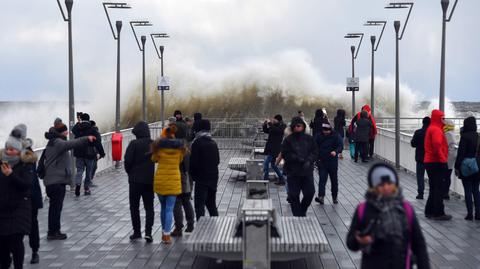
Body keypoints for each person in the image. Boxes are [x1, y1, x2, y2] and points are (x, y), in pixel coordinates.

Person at [346, 163, 430, 269]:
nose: (386, 188)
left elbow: (419, 244)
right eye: (381, 185)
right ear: (374, 187)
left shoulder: (405, 208)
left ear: (395, 184)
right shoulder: (364, 209)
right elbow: (350, 243)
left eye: (389, 183)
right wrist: (359, 240)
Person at [43, 120, 96, 240]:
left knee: (54, 208)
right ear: (60, 132)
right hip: (56, 182)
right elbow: (71, 144)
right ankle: (53, 232)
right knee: (56, 208)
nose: (67, 133)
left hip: (53, 181)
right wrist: (87, 138)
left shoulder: (53, 142)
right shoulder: (57, 142)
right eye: (65, 131)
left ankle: (54, 231)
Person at [0, 126, 36, 269]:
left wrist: (11, 175)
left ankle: (18, 266)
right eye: (7, 148)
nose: (9, 151)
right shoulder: (2, 163)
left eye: (12, 149)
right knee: (2, 244)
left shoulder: (25, 164)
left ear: (19, 150)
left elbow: (26, 184)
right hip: (2, 210)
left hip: (19, 210)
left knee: (16, 242)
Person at [13, 124, 43, 264]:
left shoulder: (28, 156)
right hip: (17, 198)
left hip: (29, 198)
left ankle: (34, 251)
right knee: (16, 228)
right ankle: (15, 252)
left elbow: (28, 181)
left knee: (32, 225)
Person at [151, 124, 185, 244]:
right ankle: (166, 235)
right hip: (174, 182)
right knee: (170, 209)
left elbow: (153, 159)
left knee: (163, 208)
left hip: (160, 181)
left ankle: (163, 233)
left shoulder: (159, 148)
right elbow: (181, 160)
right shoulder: (179, 149)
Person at [124, 122, 155, 243]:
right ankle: (148, 233)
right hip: (149, 180)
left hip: (135, 181)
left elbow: (127, 161)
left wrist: (130, 173)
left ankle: (137, 232)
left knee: (134, 207)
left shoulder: (133, 144)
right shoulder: (152, 143)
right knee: (149, 207)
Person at [281, 116, 318, 217]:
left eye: (299, 126)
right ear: (292, 127)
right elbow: (285, 153)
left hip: (307, 172)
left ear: (303, 126)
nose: (297, 128)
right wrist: (297, 158)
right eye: (295, 126)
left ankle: (303, 209)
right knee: (293, 195)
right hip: (293, 172)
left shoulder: (309, 139)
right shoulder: (288, 140)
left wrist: (309, 160)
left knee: (310, 193)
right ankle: (297, 215)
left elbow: (315, 151)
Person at [424, 109, 452, 220]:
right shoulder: (436, 130)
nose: (444, 120)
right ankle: (438, 213)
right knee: (438, 188)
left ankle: (429, 211)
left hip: (430, 162)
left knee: (433, 187)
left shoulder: (432, 128)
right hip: (436, 162)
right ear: (437, 118)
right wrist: (443, 161)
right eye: (442, 118)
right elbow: (437, 147)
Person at [190, 119, 220, 220]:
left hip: (201, 179)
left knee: (199, 205)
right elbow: (217, 161)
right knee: (211, 204)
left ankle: (200, 228)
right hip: (213, 177)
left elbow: (193, 163)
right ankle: (216, 223)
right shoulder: (213, 143)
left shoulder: (197, 143)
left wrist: (193, 176)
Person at [171, 119, 195, 237]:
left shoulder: (174, 146)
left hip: (178, 177)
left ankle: (178, 227)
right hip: (187, 178)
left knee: (177, 202)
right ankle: (190, 225)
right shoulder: (188, 145)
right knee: (186, 201)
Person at [72, 113, 105, 196]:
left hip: (78, 152)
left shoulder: (77, 128)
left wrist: (78, 122)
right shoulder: (92, 129)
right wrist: (102, 153)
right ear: (89, 119)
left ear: (81, 119)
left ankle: (78, 185)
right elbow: (98, 142)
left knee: (79, 170)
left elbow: (73, 130)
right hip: (89, 154)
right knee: (88, 172)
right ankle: (86, 189)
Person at [454, 116, 480, 220]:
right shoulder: (479, 136)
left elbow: (461, 154)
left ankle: (470, 214)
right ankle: (478, 214)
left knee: (468, 190)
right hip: (477, 167)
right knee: (476, 191)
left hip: (466, 167)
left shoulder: (464, 137)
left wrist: (457, 167)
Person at [315, 123, 343, 205]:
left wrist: (336, 151)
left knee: (334, 180)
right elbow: (314, 146)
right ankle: (321, 197)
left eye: (328, 130)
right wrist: (316, 158)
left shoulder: (336, 136)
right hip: (322, 161)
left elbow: (340, 146)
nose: (326, 132)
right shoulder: (318, 136)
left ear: (331, 129)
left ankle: (334, 197)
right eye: (324, 130)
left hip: (332, 162)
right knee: (322, 180)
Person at [262, 115, 287, 185]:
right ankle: (281, 179)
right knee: (273, 165)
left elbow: (277, 131)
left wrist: (270, 123)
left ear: (278, 120)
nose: (273, 120)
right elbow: (267, 131)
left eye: (274, 119)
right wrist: (264, 124)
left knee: (266, 163)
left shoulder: (282, 126)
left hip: (275, 148)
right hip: (271, 147)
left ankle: (265, 179)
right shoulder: (274, 125)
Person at [410, 117, 430, 200]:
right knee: (431, 177)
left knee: (420, 176)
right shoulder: (431, 133)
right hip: (430, 158)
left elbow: (413, 144)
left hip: (420, 157)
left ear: (423, 123)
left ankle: (420, 194)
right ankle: (432, 194)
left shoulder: (418, 132)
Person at [443, 119, 457, 200]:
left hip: (447, 159)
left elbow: (447, 146)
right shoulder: (452, 133)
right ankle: (445, 192)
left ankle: (445, 193)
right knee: (447, 176)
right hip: (450, 159)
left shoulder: (448, 134)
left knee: (446, 177)